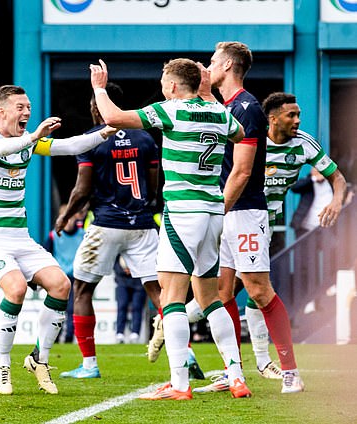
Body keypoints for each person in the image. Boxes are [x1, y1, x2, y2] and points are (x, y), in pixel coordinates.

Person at [90, 57, 250, 400]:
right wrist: (207, 96)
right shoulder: (221, 113)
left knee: (172, 296)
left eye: (165, 81)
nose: (163, 87)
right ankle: (236, 377)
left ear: (174, 86)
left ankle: (179, 384)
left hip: (183, 212)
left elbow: (115, 117)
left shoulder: (171, 109)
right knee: (210, 298)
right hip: (213, 211)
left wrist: (100, 89)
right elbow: (240, 132)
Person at [0, 84, 117, 395]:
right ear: (2, 111)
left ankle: (39, 359)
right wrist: (33, 137)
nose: (27, 112)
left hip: (20, 237)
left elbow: (73, 146)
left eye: (28, 106)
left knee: (62, 285)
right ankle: (2, 364)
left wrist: (105, 131)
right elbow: (0, 151)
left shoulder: (28, 143)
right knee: (17, 289)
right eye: (20, 107)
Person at [191, 43, 304, 395]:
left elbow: (241, 172)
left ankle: (290, 371)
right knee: (222, 291)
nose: (207, 67)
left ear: (227, 64)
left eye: (212, 62)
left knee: (258, 290)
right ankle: (233, 371)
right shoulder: (225, 105)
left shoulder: (248, 107)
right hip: (227, 210)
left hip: (244, 211)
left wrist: (216, 211)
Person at [55, 82, 161, 380]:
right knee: (159, 291)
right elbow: (154, 185)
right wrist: (142, 205)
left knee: (83, 289)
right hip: (142, 224)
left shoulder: (92, 139)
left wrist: (67, 215)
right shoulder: (145, 139)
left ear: (96, 107)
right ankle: (186, 354)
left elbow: (83, 187)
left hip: (105, 223)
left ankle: (89, 365)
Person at [245, 91, 346, 375]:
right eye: (292, 115)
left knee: (252, 290)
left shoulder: (303, 144)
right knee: (233, 291)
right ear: (273, 119)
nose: (297, 120)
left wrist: (336, 202)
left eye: (299, 114)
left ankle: (258, 363)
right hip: (238, 219)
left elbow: (338, 178)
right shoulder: (251, 140)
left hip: (264, 226)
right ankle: (177, 320)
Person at [42, 205, 85, 344]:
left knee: (72, 309)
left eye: (70, 217)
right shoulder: (53, 236)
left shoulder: (83, 234)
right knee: (56, 309)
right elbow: (44, 254)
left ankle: (68, 338)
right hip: (58, 278)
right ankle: (54, 338)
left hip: (75, 277)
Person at [289, 169, 335, 239]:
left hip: (328, 228)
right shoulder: (308, 182)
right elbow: (294, 188)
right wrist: (314, 178)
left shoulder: (332, 182)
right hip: (307, 228)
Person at [113, 255, 146, 344]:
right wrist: (123, 271)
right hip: (122, 281)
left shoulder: (141, 247)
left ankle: (135, 334)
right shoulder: (120, 247)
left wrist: (134, 270)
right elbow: (114, 263)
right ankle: (119, 333)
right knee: (122, 306)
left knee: (137, 307)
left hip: (139, 282)